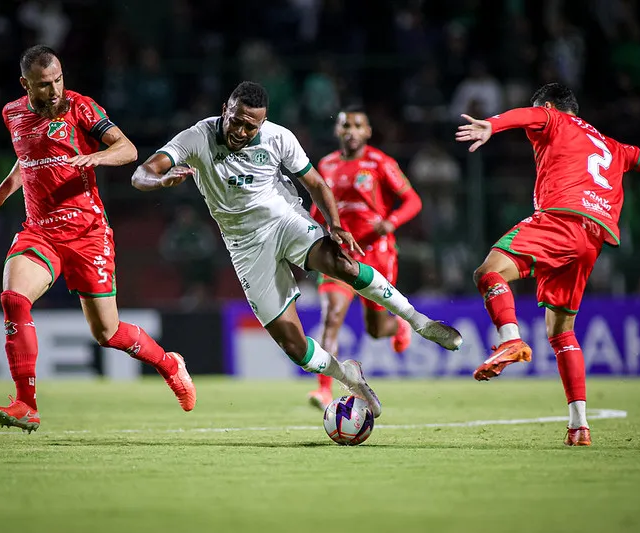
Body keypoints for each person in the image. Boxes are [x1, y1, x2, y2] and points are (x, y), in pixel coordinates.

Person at [130, 81, 463, 418]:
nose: (242, 131)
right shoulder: (196, 137)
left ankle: (419, 322)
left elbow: (315, 183)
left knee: (342, 265)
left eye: (251, 126)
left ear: (262, 123)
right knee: (294, 347)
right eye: (237, 121)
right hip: (244, 247)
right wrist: (160, 181)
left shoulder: (278, 137)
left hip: (284, 220)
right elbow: (141, 174)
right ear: (224, 110)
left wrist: (334, 225)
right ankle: (348, 377)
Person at [455, 82, 640, 446]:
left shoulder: (553, 118)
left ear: (551, 105)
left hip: (561, 218)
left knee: (489, 271)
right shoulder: (614, 146)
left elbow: (528, 115)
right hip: (593, 238)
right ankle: (579, 426)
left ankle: (510, 340)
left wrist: (492, 125)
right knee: (562, 333)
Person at [0, 45, 196, 434]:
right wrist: (0, 193)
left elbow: (127, 150)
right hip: (40, 230)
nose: (55, 90)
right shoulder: (13, 113)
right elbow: (25, 159)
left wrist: (96, 158)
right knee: (13, 298)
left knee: (107, 333)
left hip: (87, 233)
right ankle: (26, 403)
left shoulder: (81, 108)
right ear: (26, 84)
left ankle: (168, 363)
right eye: (45, 85)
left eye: (59, 80)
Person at [307, 106, 423, 409]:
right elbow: (317, 212)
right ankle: (323, 390)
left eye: (358, 125)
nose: (351, 131)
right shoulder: (327, 165)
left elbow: (413, 200)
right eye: (346, 125)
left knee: (374, 329)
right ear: (338, 131)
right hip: (340, 254)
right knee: (332, 317)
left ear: (368, 131)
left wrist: (391, 222)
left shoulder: (380, 162)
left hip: (376, 254)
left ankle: (398, 326)